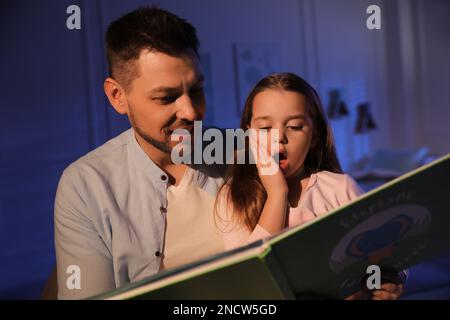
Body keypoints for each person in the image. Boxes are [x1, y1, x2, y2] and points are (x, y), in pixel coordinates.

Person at [54, 6, 226, 299]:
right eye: (166, 97)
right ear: (117, 96)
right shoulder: (85, 185)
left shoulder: (238, 154)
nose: (191, 111)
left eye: (196, 90)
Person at [215, 73, 405, 300]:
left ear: (314, 135)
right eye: (265, 128)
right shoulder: (232, 195)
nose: (278, 137)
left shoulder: (339, 188)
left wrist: (386, 284)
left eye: (295, 126)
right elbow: (247, 282)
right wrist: (277, 193)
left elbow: (385, 257)